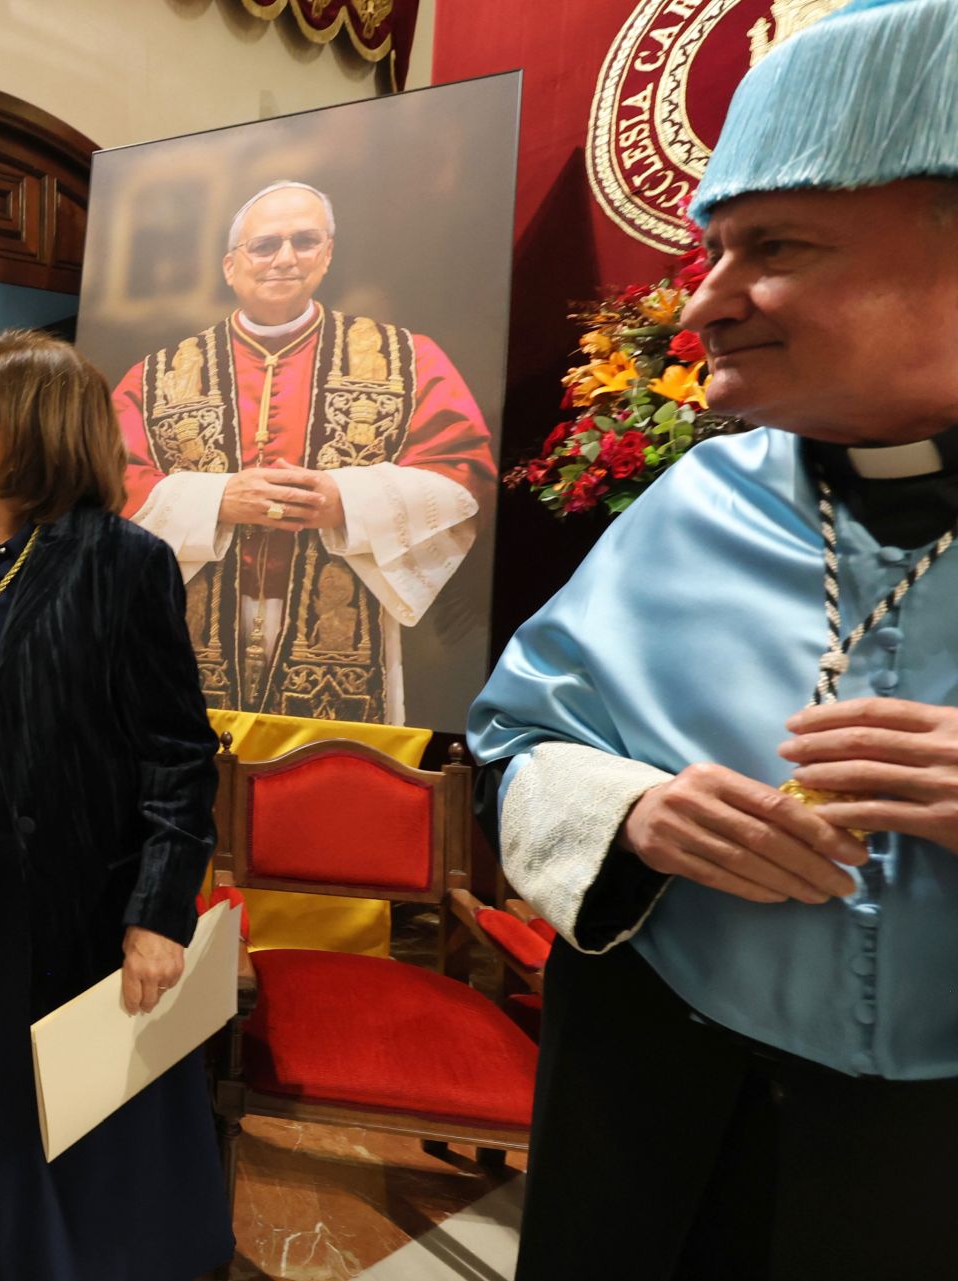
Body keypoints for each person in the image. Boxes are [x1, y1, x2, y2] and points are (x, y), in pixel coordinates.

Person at [467, 2, 958, 1276]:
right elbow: (513, 736)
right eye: (710, 252)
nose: (698, 308)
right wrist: (627, 815)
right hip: (653, 1100)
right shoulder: (696, 501)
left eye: (772, 247)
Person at [0, 330, 234, 1280]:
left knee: (77, 1104)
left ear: (29, 436)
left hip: (78, 886)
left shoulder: (120, 564)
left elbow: (179, 756)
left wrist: (158, 914)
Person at [113, 180, 496, 722]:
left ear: (328, 254)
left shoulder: (408, 359)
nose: (285, 259)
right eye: (265, 245)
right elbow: (105, 482)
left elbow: (464, 474)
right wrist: (217, 499)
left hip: (341, 624)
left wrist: (348, 500)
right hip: (188, 618)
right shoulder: (157, 375)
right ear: (230, 265)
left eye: (305, 241)